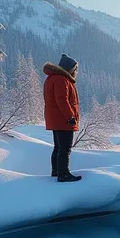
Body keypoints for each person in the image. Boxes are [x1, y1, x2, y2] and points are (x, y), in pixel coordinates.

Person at [43, 54, 82, 182]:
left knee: (58, 147)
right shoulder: (61, 80)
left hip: (56, 119)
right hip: (63, 120)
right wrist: (70, 116)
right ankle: (63, 174)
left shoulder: (53, 78)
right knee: (65, 148)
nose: (76, 72)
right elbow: (62, 100)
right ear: (69, 69)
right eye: (75, 69)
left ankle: (56, 171)